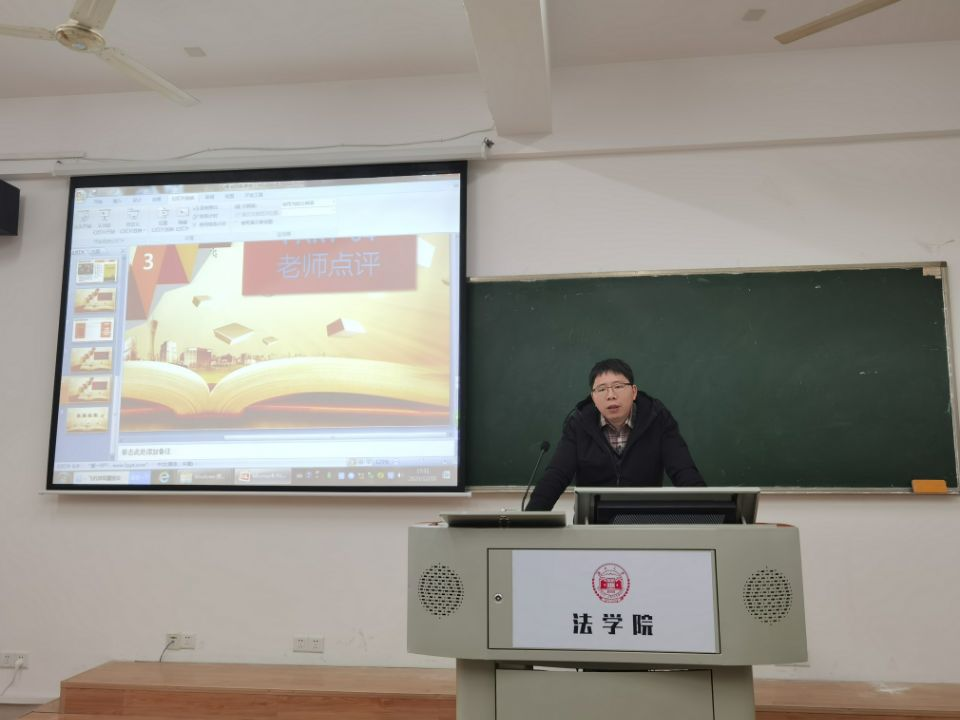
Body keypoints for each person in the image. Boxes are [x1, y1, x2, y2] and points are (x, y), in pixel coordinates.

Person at [525, 358, 705, 511]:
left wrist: (708, 512)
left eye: (618, 386)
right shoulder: (579, 424)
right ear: (593, 398)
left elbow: (684, 471)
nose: (610, 395)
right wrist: (530, 518)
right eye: (602, 389)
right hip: (594, 524)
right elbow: (556, 475)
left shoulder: (657, 419)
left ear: (633, 392)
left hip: (645, 521)